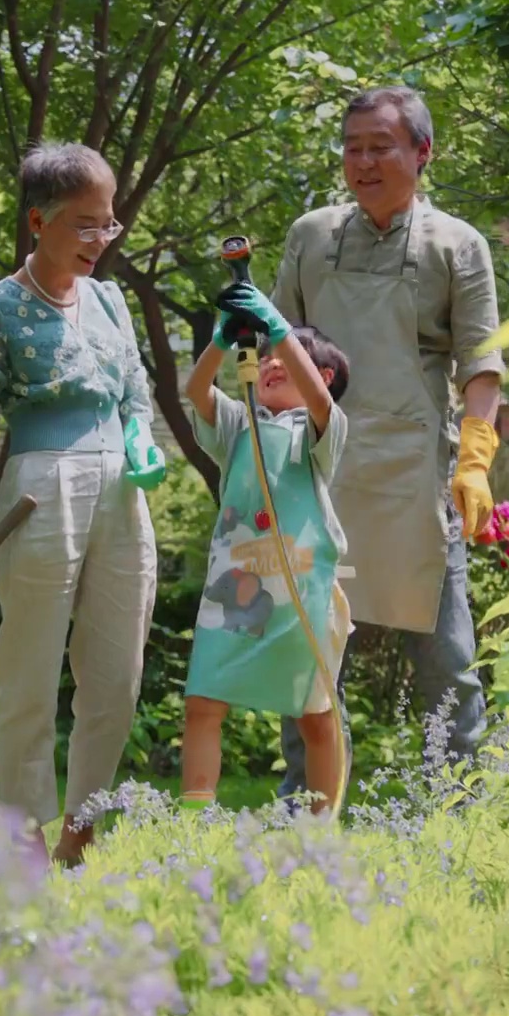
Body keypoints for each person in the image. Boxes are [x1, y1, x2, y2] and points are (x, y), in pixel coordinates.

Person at [0, 142, 164, 866]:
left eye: (108, 225)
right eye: (84, 225)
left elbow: (135, 391)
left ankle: (81, 834)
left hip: (121, 491)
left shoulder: (111, 301)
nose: (100, 240)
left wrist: (141, 437)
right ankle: (23, 838)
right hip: (39, 491)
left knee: (116, 674)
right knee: (26, 672)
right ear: (37, 221)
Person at [271, 85, 505, 798]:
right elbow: (274, 351)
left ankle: (453, 807)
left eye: (381, 146)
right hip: (317, 472)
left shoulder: (458, 245)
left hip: (416, 478)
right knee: (308, 655)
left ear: (422, 153)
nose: (364, 162)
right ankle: (304, 809)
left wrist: (473, 462)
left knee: (447, 659)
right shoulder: (312, 235)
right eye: (353, 148)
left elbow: (483, 364)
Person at [181, 283, 351, 813]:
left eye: (290, 357)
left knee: (316, 715)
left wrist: (276, 326)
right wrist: (221, 341)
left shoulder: (321, 430)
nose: (274, 361)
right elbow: (196, 390)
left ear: (319, 376)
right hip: (232, 589)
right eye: (269, 356)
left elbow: (320, 402)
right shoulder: (239, 425)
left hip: (302, 589)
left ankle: (320, 830)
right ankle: (193, 818)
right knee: (203, 702)